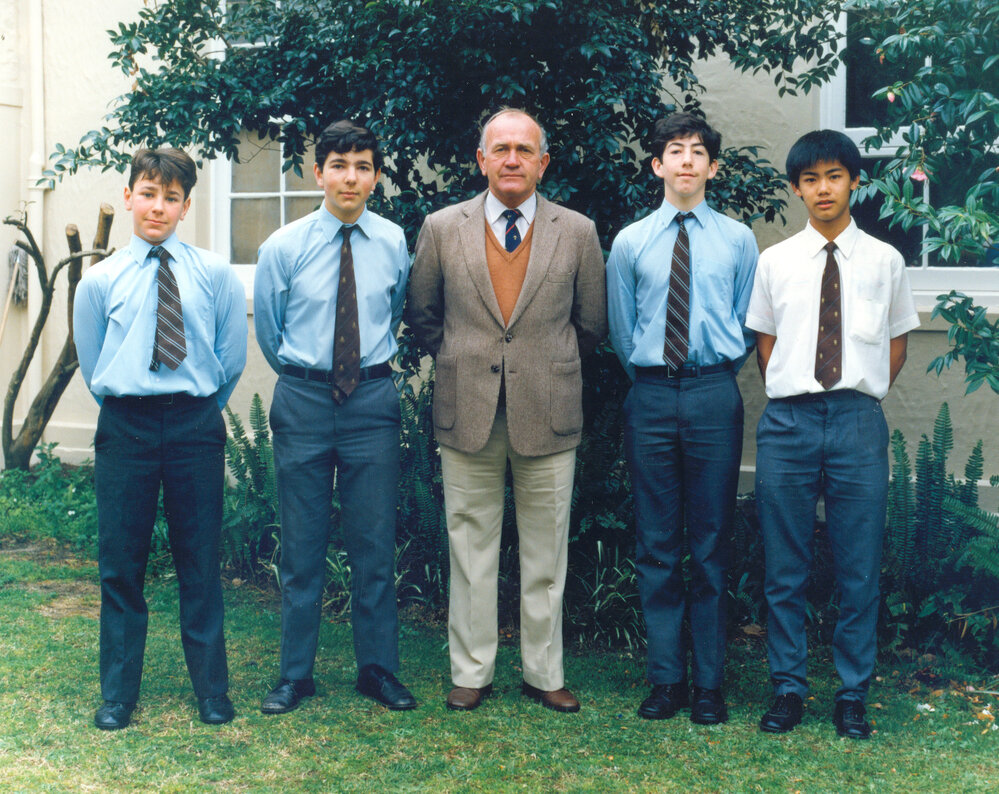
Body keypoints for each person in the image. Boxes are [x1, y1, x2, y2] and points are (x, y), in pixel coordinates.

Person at [405, 108, 606, 713]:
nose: (512, 159)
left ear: (543, 162)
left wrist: (541, 365)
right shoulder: (442, 228)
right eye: (501, 149)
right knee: (470, 548)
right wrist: (468, 360)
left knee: (547, 552)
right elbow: (423, 317)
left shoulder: (578, 231)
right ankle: (472, 671)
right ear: (482, 160)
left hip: (548, 411)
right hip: (467, 411)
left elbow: (591, 324)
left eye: (525, 149)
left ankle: (545, 673)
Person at [746, 130, 919, 739]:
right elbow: (766, 346)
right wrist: (799, 390)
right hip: (788, 424)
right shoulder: (775, 262)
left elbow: (896, 345)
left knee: (858, 566)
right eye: (811, 178)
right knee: (785, 566)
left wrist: (855, 391)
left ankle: (852, 693)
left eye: (835, 176)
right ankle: (789, 688)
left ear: (854, 182)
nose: (824, 188)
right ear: (797, 188)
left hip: (856, 424)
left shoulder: (885, 261)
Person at [74, 148, 247, 730]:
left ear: (186, 206)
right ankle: (119, 693)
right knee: (121, 563)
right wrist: (133, 407)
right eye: (148, 193)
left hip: (195, 425)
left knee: (199, 560)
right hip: (126, 428)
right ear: (129, 197)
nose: (158, 206)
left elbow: (228, 358)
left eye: (171, 197)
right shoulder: (99, 281)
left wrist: (195, 410)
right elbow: (94, 361)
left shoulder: (214, 274)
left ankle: (211, 691)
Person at [254, 119, 415, 714]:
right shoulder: (283, 247)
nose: (351, 177)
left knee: (374, 542)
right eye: (339, 165)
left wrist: (357, 377)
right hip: (304, 400)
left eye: (363, 165)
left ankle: (377, 670)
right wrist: (310, 379)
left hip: (371, 402)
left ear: (375, 175)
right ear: (317, 171)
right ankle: (296, 675)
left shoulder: (394, 241)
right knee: (301, 545)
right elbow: (271, 333)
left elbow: (391, 312)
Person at [606, 112, 758, 725]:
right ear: (658, 165)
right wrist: (654, 376)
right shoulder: (631, 241)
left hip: (713, 393)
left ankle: (710, 685)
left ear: (713, 168)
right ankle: (667, 679)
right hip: (649, 396)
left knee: (712, 542)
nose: (688, 161)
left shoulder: (738, 240)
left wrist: (707, 372)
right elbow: (622, 329)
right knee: (658, 542)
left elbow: (746, 324)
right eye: (676, 150)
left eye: (699, 152)